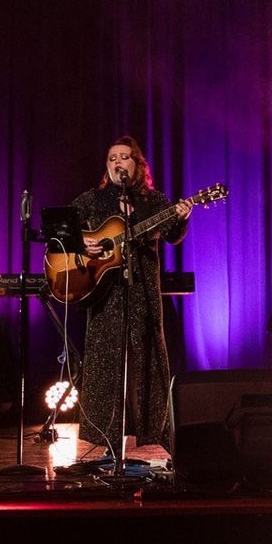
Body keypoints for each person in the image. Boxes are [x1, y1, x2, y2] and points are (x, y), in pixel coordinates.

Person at [71, 135, 191, 452]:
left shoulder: (152, 202)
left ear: (137, 165)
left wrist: (181, 217)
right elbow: (60, 232)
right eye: (111, 158)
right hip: (102, 293)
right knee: (103, 360)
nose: (117, 163)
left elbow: (172, 236)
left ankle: (153, 432)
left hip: (142, 291)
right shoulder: (92, 201)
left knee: (150, 358)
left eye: (124, 157)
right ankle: (101, 434)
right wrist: (83, 242)